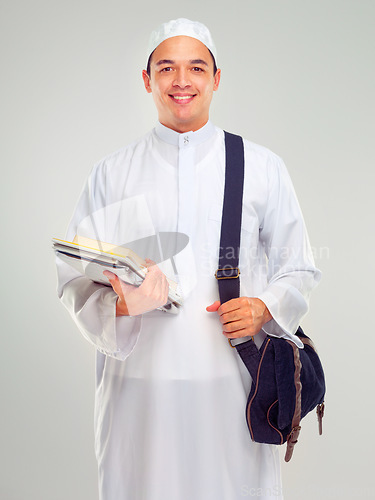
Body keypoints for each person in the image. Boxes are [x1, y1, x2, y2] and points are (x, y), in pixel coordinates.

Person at [56, 18, 321, 500]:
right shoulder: (111, 174)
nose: (182, 81)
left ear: (216, 78)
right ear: (147, 79)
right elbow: (75, 279)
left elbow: (299, 266)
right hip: (138, 392)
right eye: (167, 68)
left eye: (196, 68)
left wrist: (264, 307)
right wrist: (122, 304)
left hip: (235, 389)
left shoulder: (261, 167)